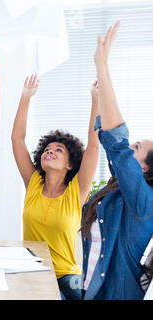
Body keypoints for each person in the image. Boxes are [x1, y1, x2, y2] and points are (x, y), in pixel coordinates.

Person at [81, 21, 153, 300]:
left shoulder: (144, 201)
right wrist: (98, 98)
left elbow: (118, 144)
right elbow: (111, 142)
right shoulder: (120, 191)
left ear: (145, 167)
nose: (129, 147)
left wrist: (103, 65)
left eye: (138, 147)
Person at [11, 74, 100, 300]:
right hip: (33, 271)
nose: (49, 151)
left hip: (66, 276)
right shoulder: (33, 184)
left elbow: (93, 145)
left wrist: (96, 99)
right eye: (47, 149)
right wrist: (25, 98)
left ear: (70, 164)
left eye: (58, 150)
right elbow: (17, 140)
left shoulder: (76, 191)